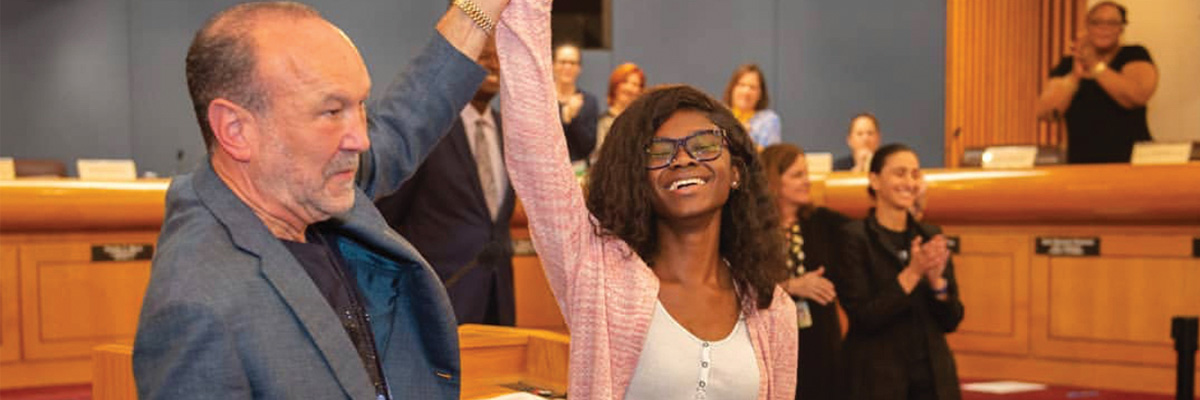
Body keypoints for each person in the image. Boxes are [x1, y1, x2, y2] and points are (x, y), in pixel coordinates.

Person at [132, 1, 506, 399]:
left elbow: (407, 119)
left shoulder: (303, 184)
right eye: (331, 111)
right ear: (236, 129)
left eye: (359, 105)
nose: (360, 139)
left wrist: (478, 8)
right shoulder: (197, 305)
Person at [494, 2, 798, 398]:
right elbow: (537, 155)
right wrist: (527, 7)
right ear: (637, 178)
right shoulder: (600, 276)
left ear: (737, 171)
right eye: (659, 151)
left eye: (704, 144)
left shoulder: (772, 309)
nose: (684, 158)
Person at [375, 37, 515, 326]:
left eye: (499, 55)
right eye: (483, 54)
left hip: (497, 298)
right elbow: (388, 216)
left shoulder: (509, 132)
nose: (493, 63)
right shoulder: (428, 131)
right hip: (439, 297)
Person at [834, 143, 965, 400]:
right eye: (900, 173)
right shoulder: (854, 238)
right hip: (876, 379)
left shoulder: (930, 236)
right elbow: (864, 317)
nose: (909, 182)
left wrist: (938, 283)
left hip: (932, 378)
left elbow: (952, 320)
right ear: (874, 180)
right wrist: (913, 273)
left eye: (915, 174)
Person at [761, 143, 850, 400]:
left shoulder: (823, 221)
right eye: (797, 175)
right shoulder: (752, 229)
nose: (807, 181)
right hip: (772, 344)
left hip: (822, 346)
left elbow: (869, 229)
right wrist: (791, 286)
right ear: (773, 180)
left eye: (807, 173)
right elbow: (737, 286)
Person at [1035, 1, 1158, 164]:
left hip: (1132, 163)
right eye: (1097, 22)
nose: (1104, 28)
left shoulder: (1134, 54)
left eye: (1112, 23)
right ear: (1087, 26)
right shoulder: (1068, 65)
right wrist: (1074, 78)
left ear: (1121, 28)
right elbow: (1046, 112)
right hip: (1082, 164)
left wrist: (1095, 66)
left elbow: (1136, 96)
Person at [553, 43, 601, 165]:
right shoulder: (543, 100)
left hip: (578, 172)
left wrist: (573, 119)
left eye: (573, 63)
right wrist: (564, 119)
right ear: (553, 65)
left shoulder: (589, 101)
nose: (567, 67)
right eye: (563, 62)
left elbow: (588, 147)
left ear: (579, 68)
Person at [593, 62, 646, 162]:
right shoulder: (602, 122)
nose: (629, 88)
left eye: (635, 84)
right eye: (625, 82)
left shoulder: (644, 123)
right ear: (615, 85)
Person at [723, 64, 782, 148]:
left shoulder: (769, 120)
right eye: (741, 85)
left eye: (752, 87)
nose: (746, 92)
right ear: (732, 88)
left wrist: (744, 137)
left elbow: (771, 157)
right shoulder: (720, 117)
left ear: (760, 93)